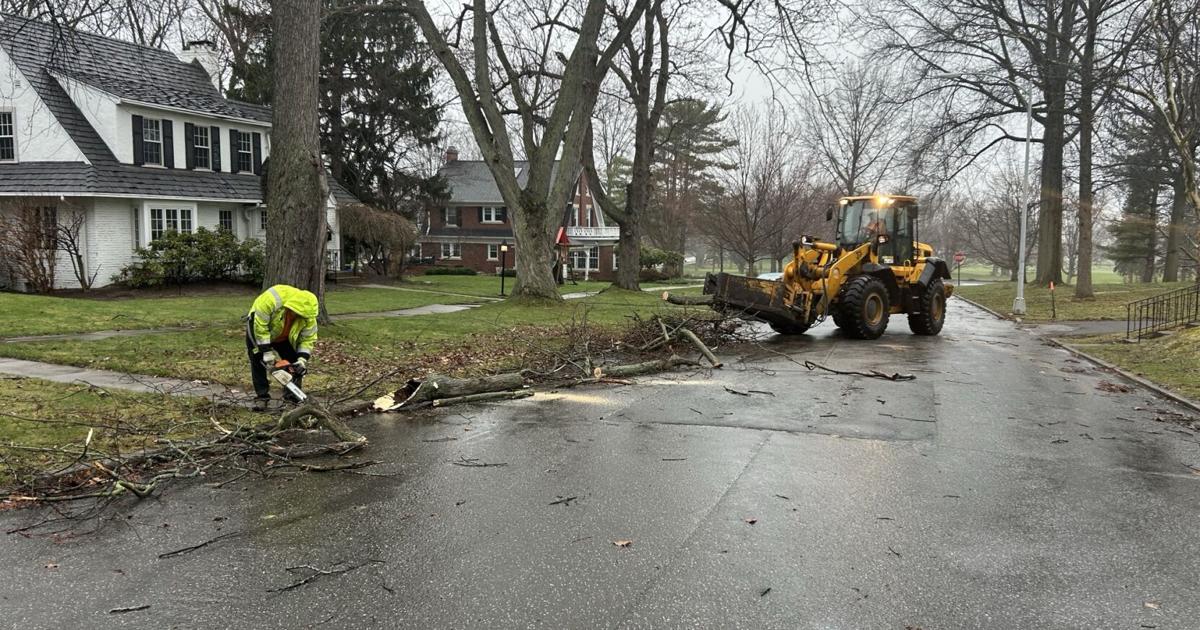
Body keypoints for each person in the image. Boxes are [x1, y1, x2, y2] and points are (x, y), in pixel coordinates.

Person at [246, 284, 319, 410]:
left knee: (294, 364)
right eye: (298, 314)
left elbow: (308, 340)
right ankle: (262, 397)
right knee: (257, 359)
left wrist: (302, 360)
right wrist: (266, 351)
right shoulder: (270, 300)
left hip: (283, 337)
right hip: (258, 329)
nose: (299, 317)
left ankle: (291, 399)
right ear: (292, 307)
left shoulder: (308, 316)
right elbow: (260, 326)